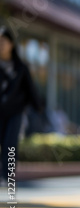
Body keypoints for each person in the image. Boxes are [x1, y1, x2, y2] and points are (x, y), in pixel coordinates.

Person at [0, 26, 41, 187]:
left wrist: (38, 107)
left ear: (11, 44)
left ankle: (7, 176)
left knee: (10, 144)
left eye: (4, 41)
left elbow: (30, 88)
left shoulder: (20, 67)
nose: (1, 44)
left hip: (15, 112)